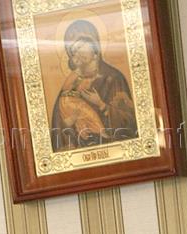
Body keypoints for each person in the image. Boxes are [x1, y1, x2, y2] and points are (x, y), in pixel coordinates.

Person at [50, 19, 138, 151]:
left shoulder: (114, 78)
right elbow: (59, 131)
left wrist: (101, 105)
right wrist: (74, 123)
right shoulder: (70, 85)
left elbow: (130, 122)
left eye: (82, 46)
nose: (78, 52)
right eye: (73, 50)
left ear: (95, 47)